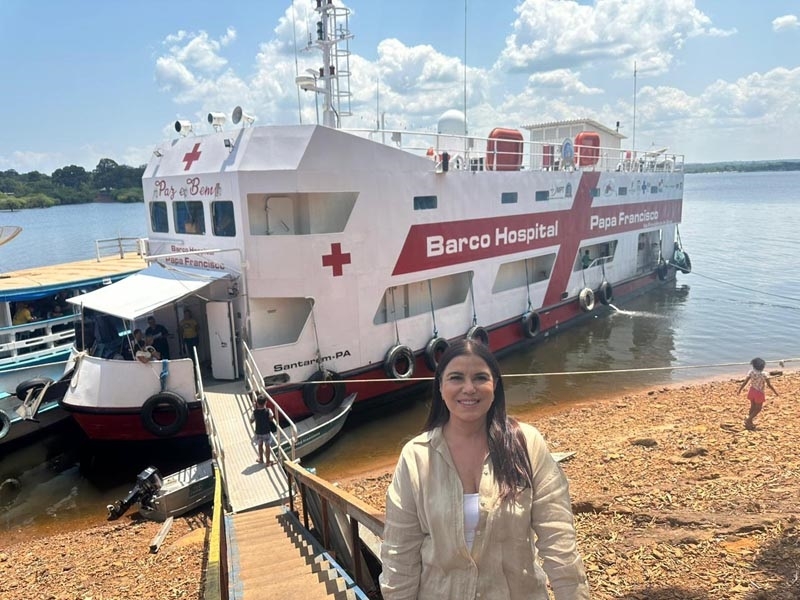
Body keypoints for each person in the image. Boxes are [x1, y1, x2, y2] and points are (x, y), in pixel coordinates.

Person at [379, 339, 590, 599]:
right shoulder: (416, 456)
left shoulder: (526, 444)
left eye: (480, 377)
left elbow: (558, 539)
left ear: (495, 385)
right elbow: (400, 553)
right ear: (441, 387)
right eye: (456, 378)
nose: (469, 388)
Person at [738, 357, 779, 430]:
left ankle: (749, 423)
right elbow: (769, 385)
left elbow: (745, 382)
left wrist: (740, 389)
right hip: (759, 393)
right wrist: (775, 392)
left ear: (753, 365)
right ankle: (749, 419)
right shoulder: (764, 374)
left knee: (752, 407)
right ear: (762, 367)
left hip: (752, 390)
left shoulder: (751, 372)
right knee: (758, 409)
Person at [249, 392, 276, 465]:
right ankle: (268, 461)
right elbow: (271, 419)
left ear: (256, 403)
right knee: (267, 446)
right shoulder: (268, 410)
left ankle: (261, 459)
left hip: (258, 432)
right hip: (266, 431)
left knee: (260, 445)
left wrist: (255, 410)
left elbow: (251, 421)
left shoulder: (255, 412)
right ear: (266, 402)